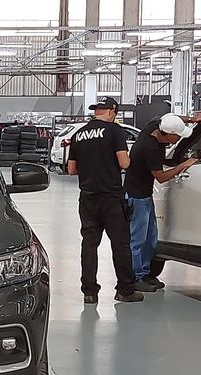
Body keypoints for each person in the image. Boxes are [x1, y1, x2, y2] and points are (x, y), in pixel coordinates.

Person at [67, 97, 143, 304]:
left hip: (87, 198)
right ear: (112, 111)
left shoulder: (78, 134)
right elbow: (124, 163)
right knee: (120, 244)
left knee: (89, 244)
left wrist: (90, 168)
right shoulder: (115, 131)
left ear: (96, 112)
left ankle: (89, 292)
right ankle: (125, 290)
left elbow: (71, 169)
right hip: (110, 197)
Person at [123, 114, 196, 292]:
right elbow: (161, 177)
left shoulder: (154, 127)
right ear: (169, 135)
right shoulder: (150, 148)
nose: (179, 139)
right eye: (178, 135)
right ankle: (135, 278)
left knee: (150, 239)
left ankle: (146, 274)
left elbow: (170, 118)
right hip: (136, 197)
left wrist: (192, 119)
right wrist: (183, 165)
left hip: (144, 196)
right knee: (138, 239)